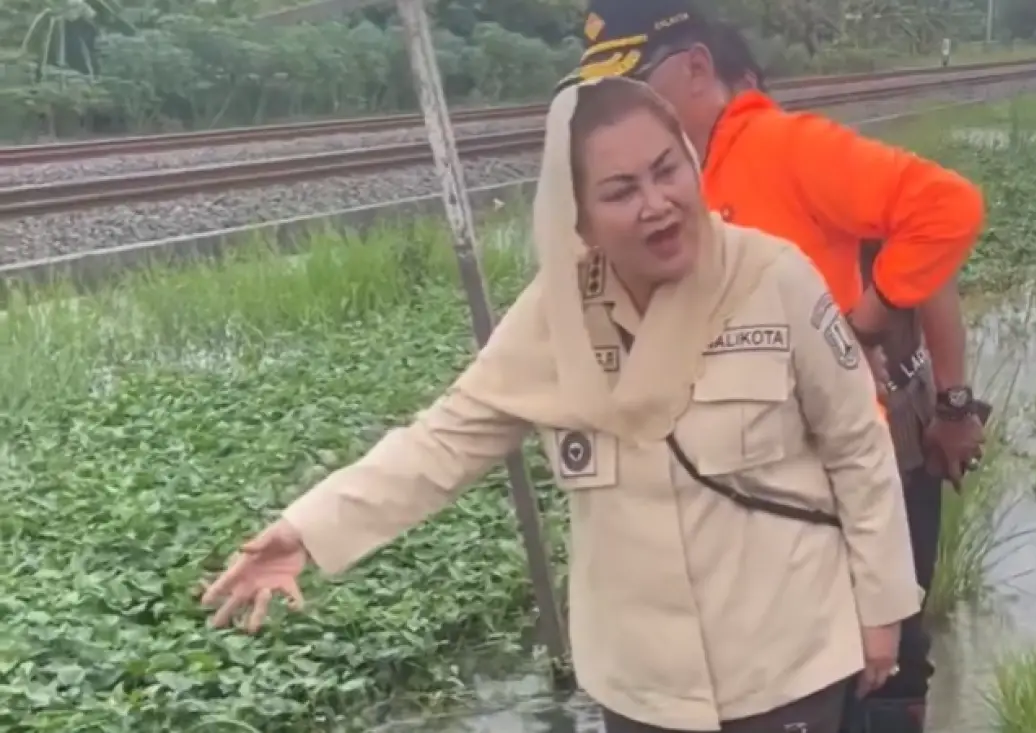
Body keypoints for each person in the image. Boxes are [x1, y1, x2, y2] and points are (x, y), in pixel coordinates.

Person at [200, 77, 923, 733]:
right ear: (579, 218)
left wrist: (882, 609)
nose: (656, 203)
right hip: (644, 686)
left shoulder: (773, 277)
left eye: (667, 169)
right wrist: (306, 529)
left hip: (784, 662)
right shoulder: (557, 317)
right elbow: (442, 441)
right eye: (619, 190)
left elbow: (857, 445)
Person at [559, 3, 989, 732]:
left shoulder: (784, 148)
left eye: (635, 83)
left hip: (843, 468)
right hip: (759, 491)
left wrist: (872, 319)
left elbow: (943, 211)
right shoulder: (676, 184)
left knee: (876, 669)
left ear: (698, 68)